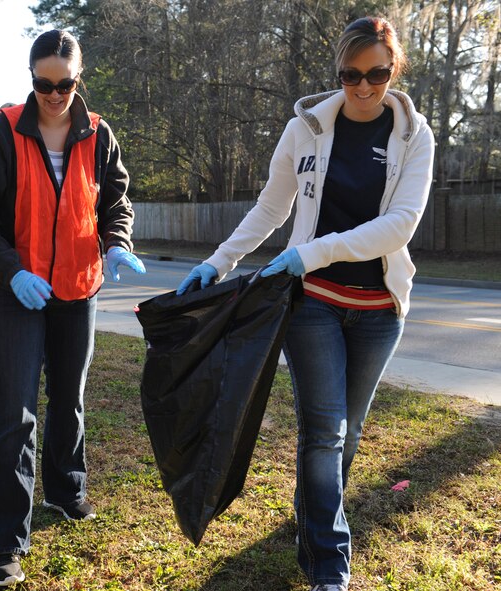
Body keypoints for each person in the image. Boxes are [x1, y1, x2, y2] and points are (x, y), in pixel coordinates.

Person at [177, 17, 434, 591]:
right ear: (337, 71)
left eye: (377, 74)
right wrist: (219, 262)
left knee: (349, 428)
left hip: (378, 308)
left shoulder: (415, 136)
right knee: (324, 431)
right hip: (312, 301)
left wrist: (311, 251)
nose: (364, 87)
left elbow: (400, 226)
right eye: (350, 75)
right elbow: (270, 209)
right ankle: (328, 564)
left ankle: (312, 518)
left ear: (395, 71)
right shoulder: (307, 129)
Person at [0, 29, 145, 587]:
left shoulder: (98, 134)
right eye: (44, 83)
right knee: (17, 413)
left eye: (65, 84)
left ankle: (67, 492)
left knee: (70, 399)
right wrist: (11, 270)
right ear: (31, 78)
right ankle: (6, 542)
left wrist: (118, 241)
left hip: (77, 288)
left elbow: (115, 199)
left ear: (78, 80)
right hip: (17, 292)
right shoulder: (3, 130)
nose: (54, 94)